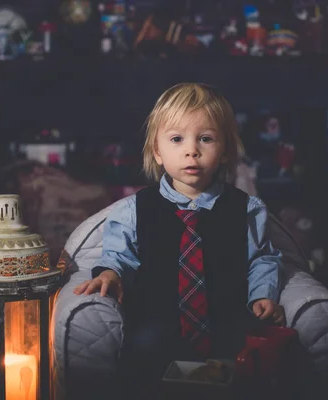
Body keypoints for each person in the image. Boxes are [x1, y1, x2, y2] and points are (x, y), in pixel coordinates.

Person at [73, 82, 285, 396]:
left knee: (250, 362)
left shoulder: (247, 210)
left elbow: (262, 259)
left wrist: (263, 295)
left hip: (225, 324)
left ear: (225, 150)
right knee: (142, 353)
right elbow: (118, 257)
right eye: (176, 139)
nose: (191, 150)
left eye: (206, 138)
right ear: (157, 151)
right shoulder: (133, 210)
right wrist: (110, 274)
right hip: (157, 327)